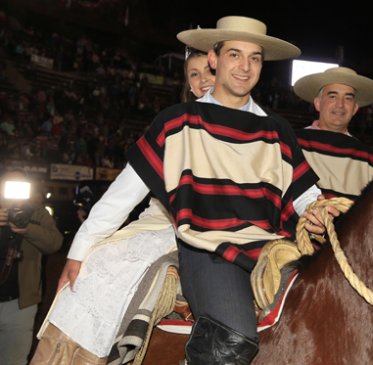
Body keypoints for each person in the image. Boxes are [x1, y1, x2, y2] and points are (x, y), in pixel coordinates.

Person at [55, 15, 337, 365]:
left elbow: (305, 194)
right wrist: (79, 250)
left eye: (254, 58)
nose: (245, 66)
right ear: (214, 59)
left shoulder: (277, 129)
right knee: (234, 336)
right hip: (207, 251)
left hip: (272, 250)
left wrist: (319, 211)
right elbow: (122, 194)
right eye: (234, 54)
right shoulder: (177, 122)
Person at [30, 43, 218, 365]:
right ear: (187, 84)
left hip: (220, 239)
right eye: (194, 75)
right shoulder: (172, 128)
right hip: (160, 225)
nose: (203, 81)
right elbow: (120, 197)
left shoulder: (259, 130)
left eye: (210, 72)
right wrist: (79, 251)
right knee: (99, 265)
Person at [0, 170, 63, 365]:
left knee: (14, 360)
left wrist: (28, 229)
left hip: (21, 302)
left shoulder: (38, 213)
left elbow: (55, 243)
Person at [292, 66, 373, 199]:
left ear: (355, 108)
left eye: (348, 98)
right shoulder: (292, 144)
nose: (340, 104)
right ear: (318, 103)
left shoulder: (367, 158)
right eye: (333, 96)